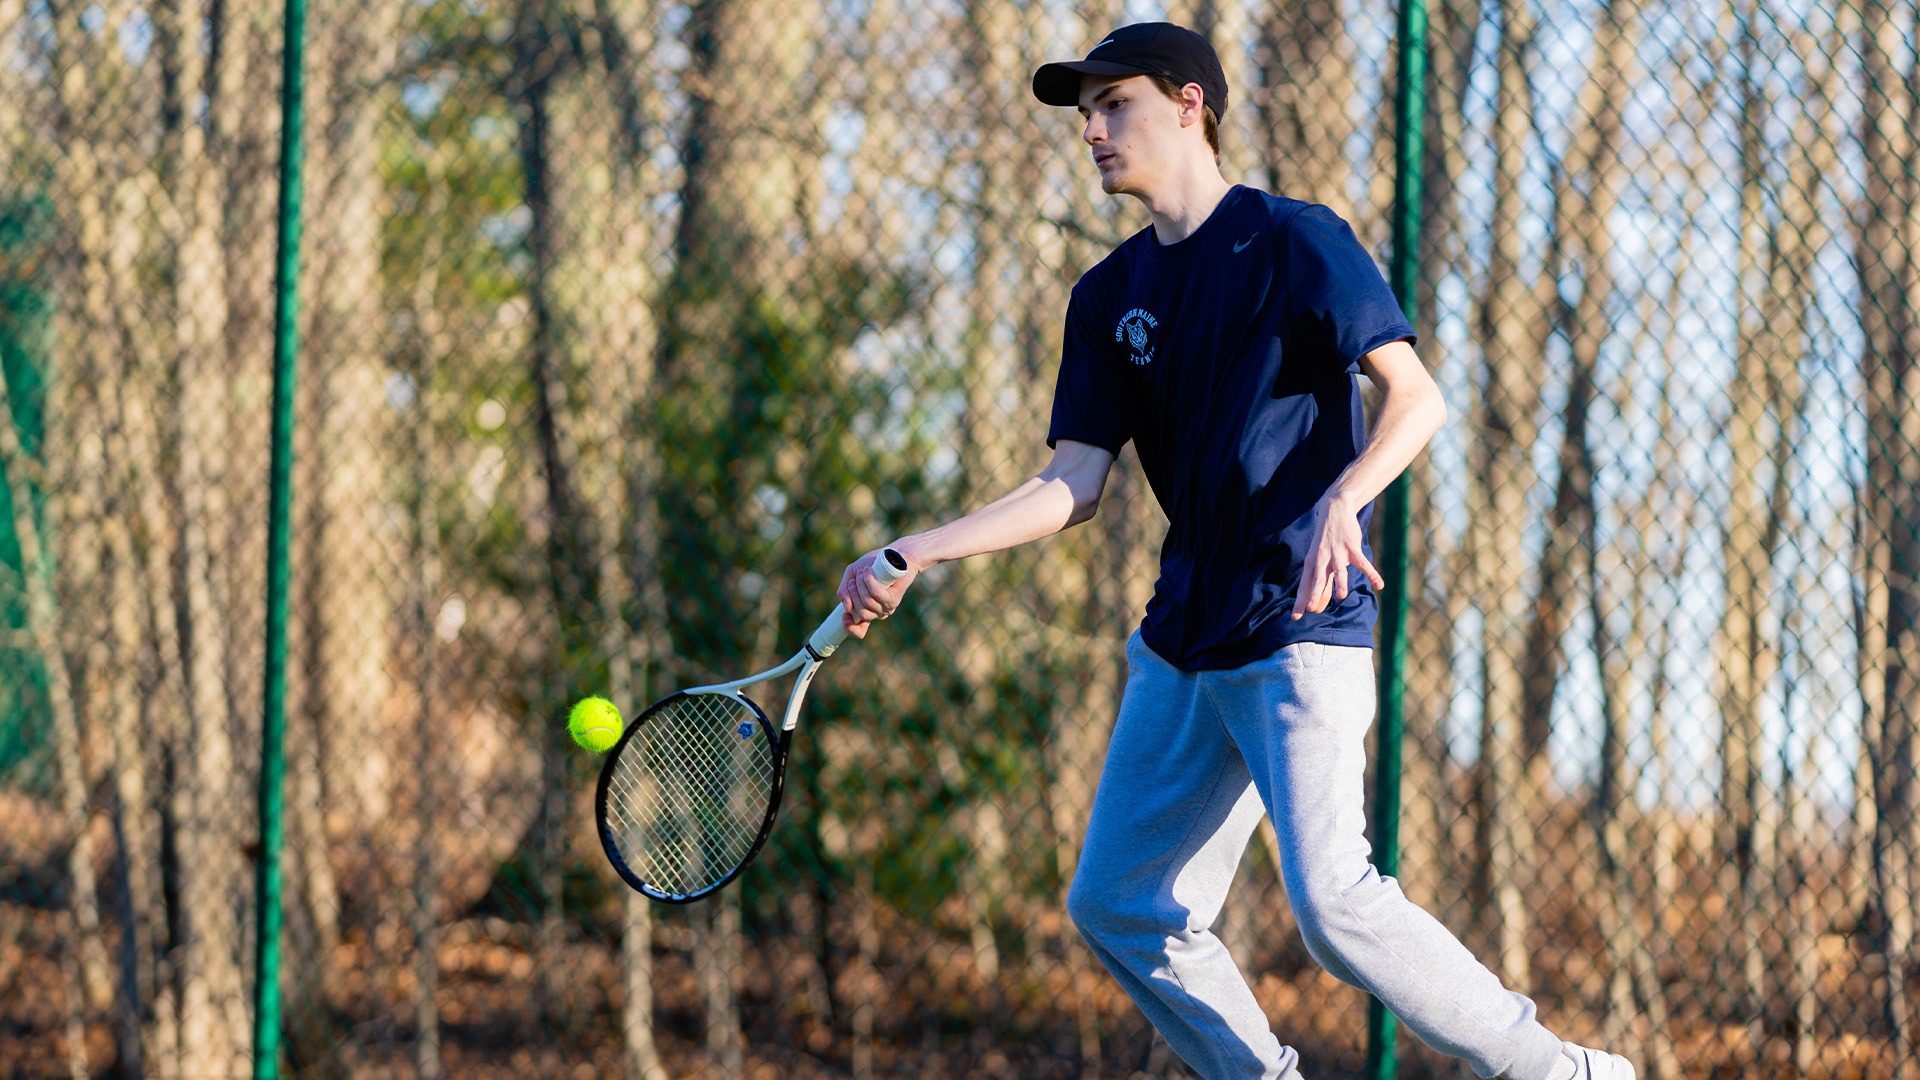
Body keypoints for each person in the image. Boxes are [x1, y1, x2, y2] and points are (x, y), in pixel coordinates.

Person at [835, 21, 1634, 1080]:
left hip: (1301, 618)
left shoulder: (1298, 241)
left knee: (1335, 906)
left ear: (1189, 104)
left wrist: (1349, 496)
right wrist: (918, 550)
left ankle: (1561, 1073)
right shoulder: (1107, 298)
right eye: (1085, 116)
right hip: (1183, 638)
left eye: (1113, 105)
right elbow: (1073, 482)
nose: (1094, 132)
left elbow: (1417, 396)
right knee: (1119, 902)